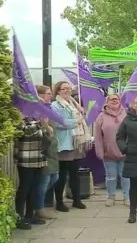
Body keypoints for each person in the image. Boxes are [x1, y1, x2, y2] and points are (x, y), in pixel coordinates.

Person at [51, 81, 91, 212]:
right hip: (64, 144)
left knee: (75, 174)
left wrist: (81, 115)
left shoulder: (74, 103)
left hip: (76, 143)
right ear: (58, 91)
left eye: (68, 88)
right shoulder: (55, 105)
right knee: (62, 175)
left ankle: (76, 200)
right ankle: (60, 202)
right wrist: (76, 121)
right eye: (64, 89)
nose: (67, 91)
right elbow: (59, 123)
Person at [14, 113, 49, 229]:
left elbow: (44, 135)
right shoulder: (19, 117)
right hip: (26, 159)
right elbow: (24, 132)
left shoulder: (35, 118)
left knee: (34, 188)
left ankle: (30, 215)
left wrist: (47, 128)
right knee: (24, 189)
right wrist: (40, 124)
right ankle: (19, 217)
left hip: (38, 158)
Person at [95, 94, 129, 207]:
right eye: (112, 99)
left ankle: (127, 197)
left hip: (125, 151)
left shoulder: (127, 114)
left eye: (117, 99)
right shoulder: (101, 116)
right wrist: (100, 151)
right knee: (111, 176)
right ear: (107, 102)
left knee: (125, 176)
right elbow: (98, 136)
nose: (114, 101)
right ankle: (111, 196)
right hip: (108, 152)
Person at [34, 85, 59, 220]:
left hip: (53, 149)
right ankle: (38, 207)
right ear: (40, 95)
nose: (51, 96)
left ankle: (37, 204)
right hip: (44, 151)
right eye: (48, 94)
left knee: (54, 177)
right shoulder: (37, 111)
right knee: (44, 181)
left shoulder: (47, 109)